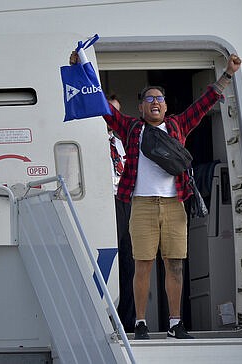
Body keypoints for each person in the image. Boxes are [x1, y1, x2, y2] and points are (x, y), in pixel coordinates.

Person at [70, 51, 242, 339]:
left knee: (175, 264)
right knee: (143, 264)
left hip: (175, 205)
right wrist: (82, 70)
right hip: (142, 205)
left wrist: (227, 74)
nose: (155, 103)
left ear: (165, 106)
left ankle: (175, 323)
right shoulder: (131, 128)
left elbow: (204, 103)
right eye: (149, 99)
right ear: (140, 107)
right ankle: (140, 322)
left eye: (159, 99)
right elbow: (101, 105)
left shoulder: (177, 126)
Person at [107, 95, 136, 333]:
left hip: (127, 201)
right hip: (105, 204)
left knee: (131, 263)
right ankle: (107, 320)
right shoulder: (92, 142)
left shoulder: (121, 142)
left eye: (116, 113)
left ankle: (129, 322)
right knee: (110, 262)